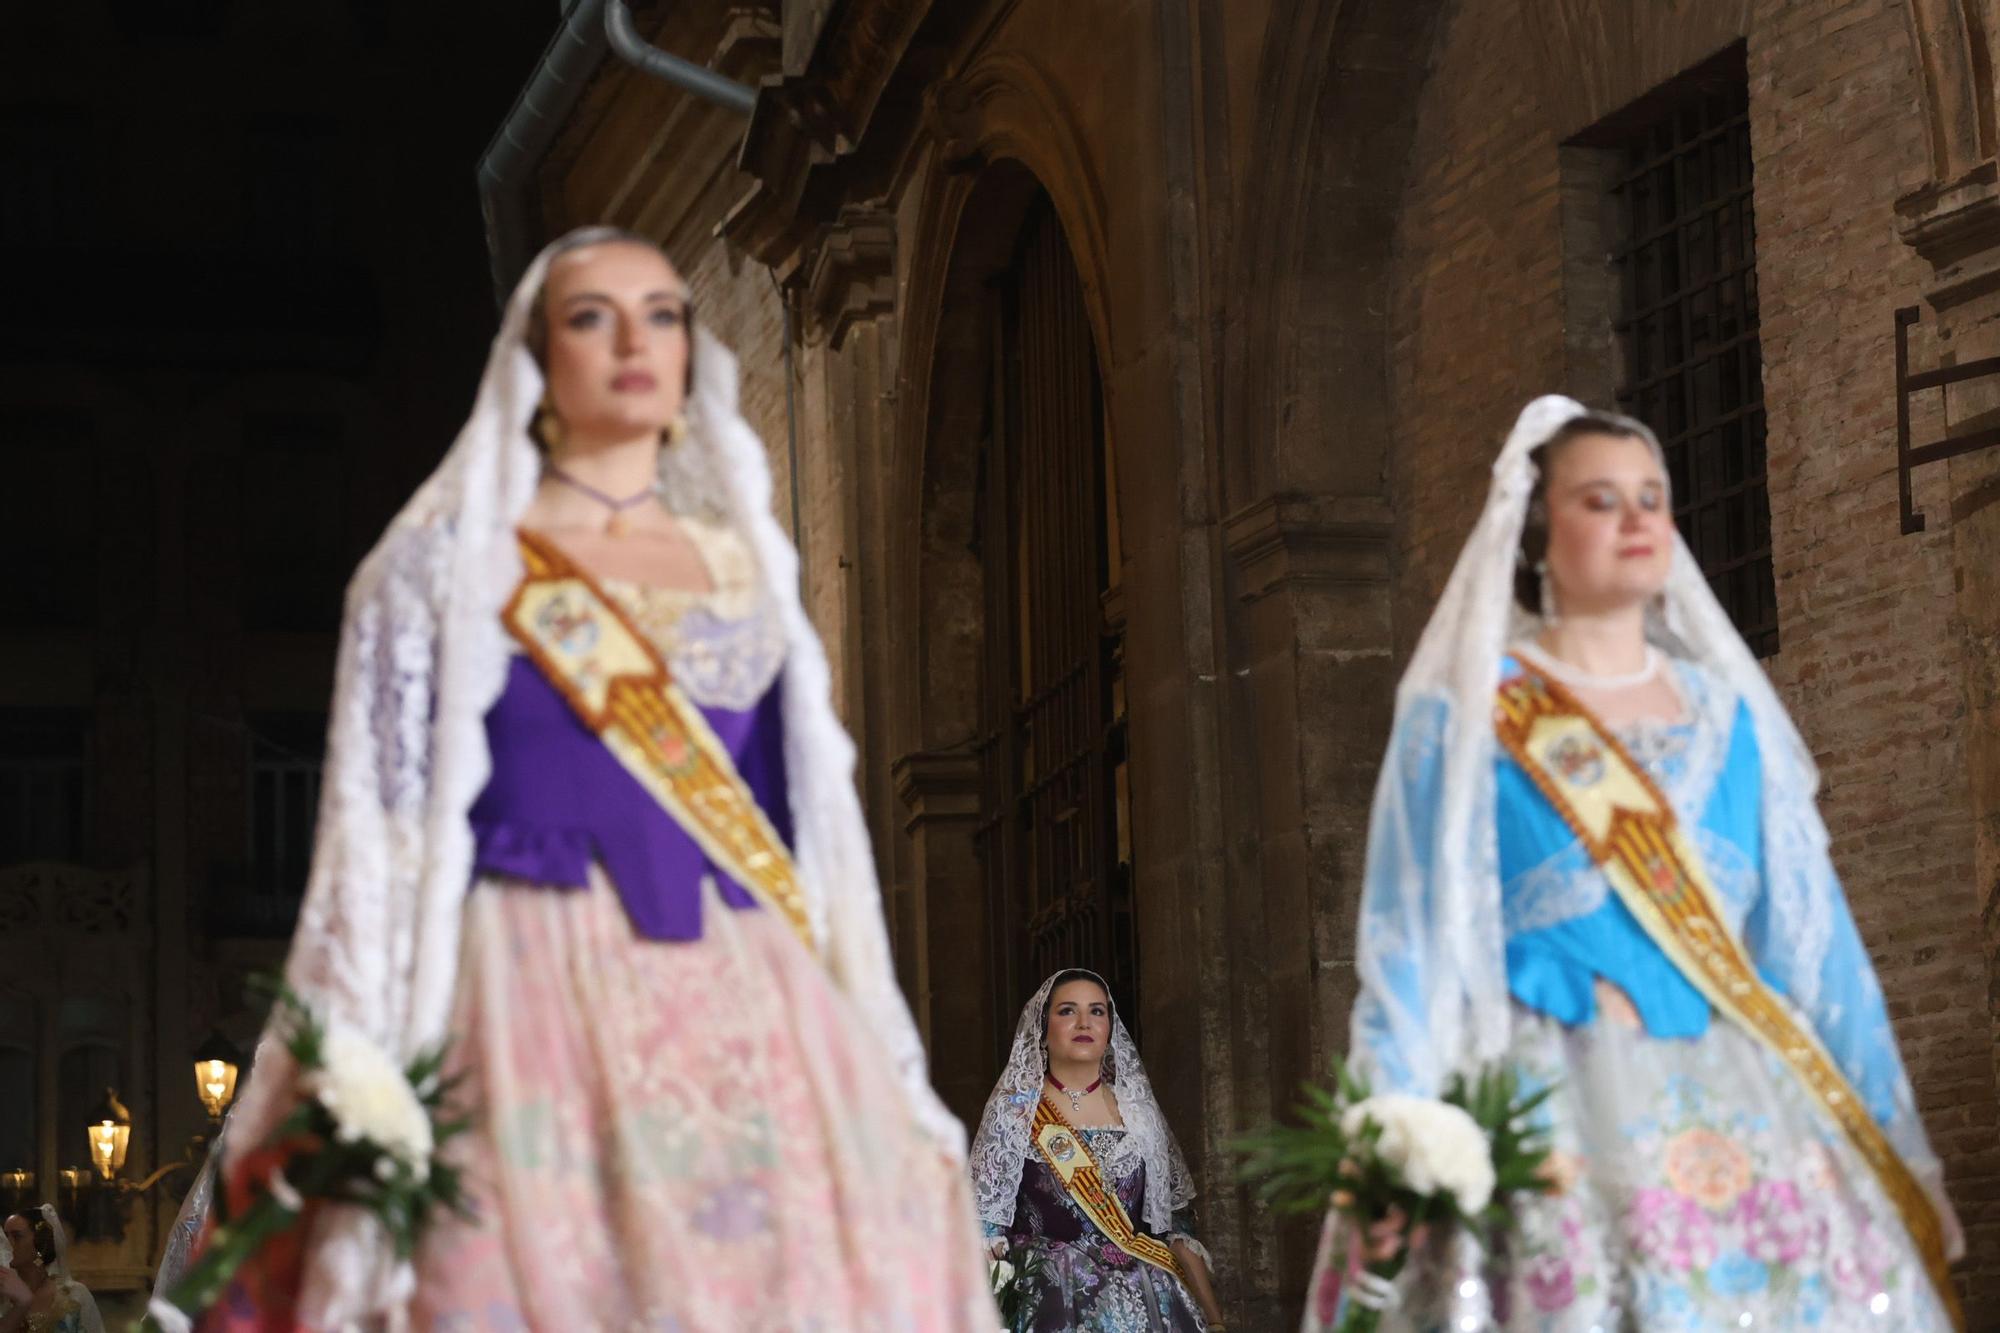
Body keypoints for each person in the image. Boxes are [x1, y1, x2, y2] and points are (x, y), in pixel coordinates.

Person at [188, 227, 994, 1330]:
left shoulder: (744, 579)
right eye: (590, 316)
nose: (633, 340)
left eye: (662, 314)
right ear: (533, 361)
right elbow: (376, 852)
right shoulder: (437, 571)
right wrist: (358, 1071)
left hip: (738, 1003)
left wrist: (870, 1068)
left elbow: (797, 838)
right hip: (524, 998)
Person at [1308, 397, 1964, 1331]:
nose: (1638, 520)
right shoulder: (1468, 716)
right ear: (1537, 530)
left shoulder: (1731, 719)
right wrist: (1390, 1137)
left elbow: (1814, 948)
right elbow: (1412, 942)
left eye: (1653, 498)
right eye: (1601, 499)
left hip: (1752, 1107)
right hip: (1555, 1110)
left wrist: (1902, 1152)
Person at [970, 968, 1225, 1331]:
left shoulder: (1140, 1114)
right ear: (1043, 1030)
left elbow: (1175, 1227)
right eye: (1067, 1011)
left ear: (1110, 1028)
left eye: (1097, 1011)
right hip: (1049, 1299)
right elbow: (984, 1232)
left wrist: (1215, 1321)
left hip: (1148, 1301)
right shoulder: (1015, 1112)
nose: (1084, 1022)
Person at [0, 1207, 104, 1333]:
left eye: (17, 1236)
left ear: (40, 1243)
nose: (7, 1243)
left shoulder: (74, 1294)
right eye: (5, 1236)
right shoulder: (4, 1296)